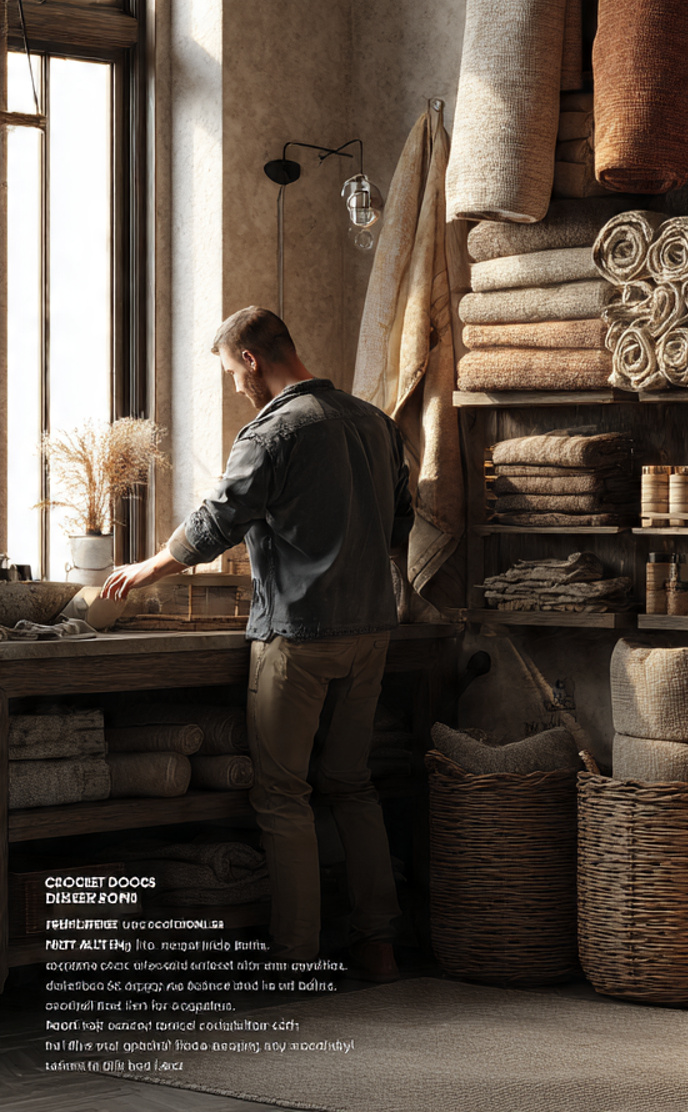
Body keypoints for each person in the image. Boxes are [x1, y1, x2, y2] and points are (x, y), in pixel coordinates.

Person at [103, 306, 412, 981]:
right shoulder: (375, 423)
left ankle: (296, 955)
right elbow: (401, 520)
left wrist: (149, 567)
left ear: (250, 358)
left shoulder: (271, 433)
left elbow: (220, 518)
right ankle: (379, 943)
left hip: (298, 635)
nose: (234, 387)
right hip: (372, 631)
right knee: (352, 783)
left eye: (229, 372)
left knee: (281, 793)